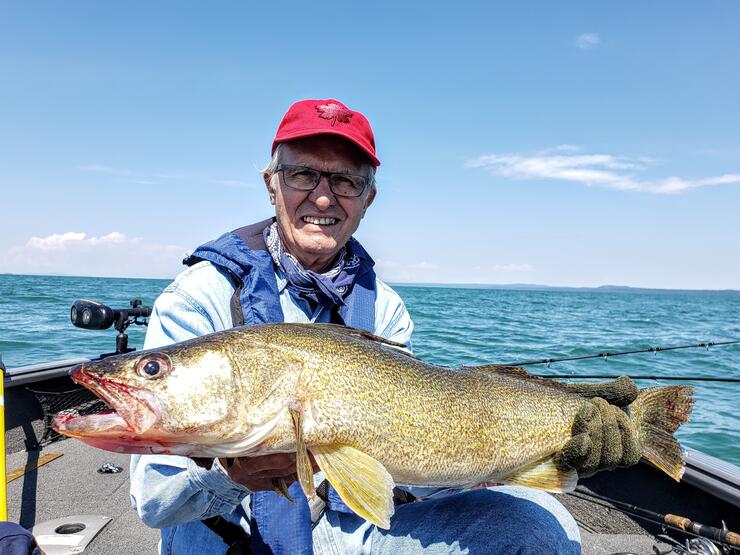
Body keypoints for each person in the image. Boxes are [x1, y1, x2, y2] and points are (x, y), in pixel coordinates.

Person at [130, 98, 640, 554]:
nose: (324, 198)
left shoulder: (385, 308)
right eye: (303, 174)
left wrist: (555, 451)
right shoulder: (200, 296)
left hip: (354, 532)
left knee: (543, 523)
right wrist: (233, 475)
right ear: (272, 185)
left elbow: (418, 461)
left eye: (346, 180)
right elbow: (155, 501)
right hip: (232, 535)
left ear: (368, 198)